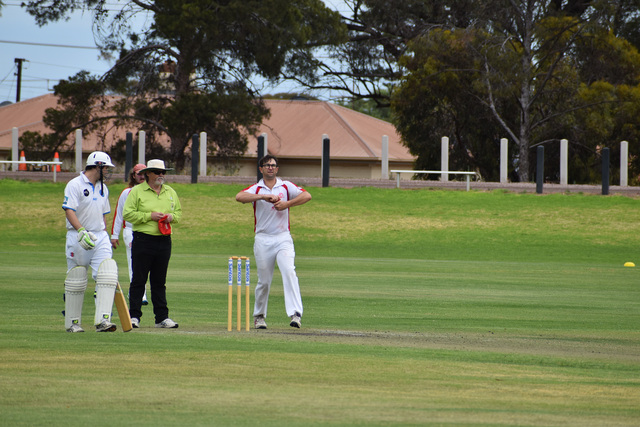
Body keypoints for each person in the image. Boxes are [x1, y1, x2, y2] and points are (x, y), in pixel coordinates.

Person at [235, 155, 311, 329]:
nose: (270, 167)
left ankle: (295, 314)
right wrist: (262, 197)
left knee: (289, 271)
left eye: (273, 165)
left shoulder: (285, 185)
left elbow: (307, 195)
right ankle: (259, 316)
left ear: (277, 169)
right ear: (261, 169)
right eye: (267, 165)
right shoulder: (257, 188)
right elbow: (239, 196)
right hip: (263, 239)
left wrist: (287, 204)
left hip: (283, 237)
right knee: (264, 280)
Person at [62, 151, 119, 333]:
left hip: (99, 236)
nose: (108, 172)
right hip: (78, 235)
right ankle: (73, 323)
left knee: (106, 274)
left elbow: (103, 215)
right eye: (106, 168)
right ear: (97, 166)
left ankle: (103, 321)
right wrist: (81, 231)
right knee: (77, 278)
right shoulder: (75, 184)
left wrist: (105, 234)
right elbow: (69, 210)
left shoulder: (104, 188)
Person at [123, 159, 182, 329]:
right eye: (157, 172)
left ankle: (161, 318)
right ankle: (134, 316)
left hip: (164, 240)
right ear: (148, 173)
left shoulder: (170, 191)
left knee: (159, 281)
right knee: (138, 280)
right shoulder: (137, 191)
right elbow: (128, 214)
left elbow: (178, 213)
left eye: (163, 172)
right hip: (143, 239)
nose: (161, 175)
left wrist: (171, 217)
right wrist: (149, 216)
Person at [110, 163, 149, 305]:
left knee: (146, 264)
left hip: (148, 232)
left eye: (144, 173)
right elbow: (118, 215)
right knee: (135, 263)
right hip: (131, 231)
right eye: (138, 173)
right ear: (133, 175)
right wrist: (114, 235)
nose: (141, 176)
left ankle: (138, 292)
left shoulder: (151, 192)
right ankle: (140, 295)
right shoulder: (127, 192)